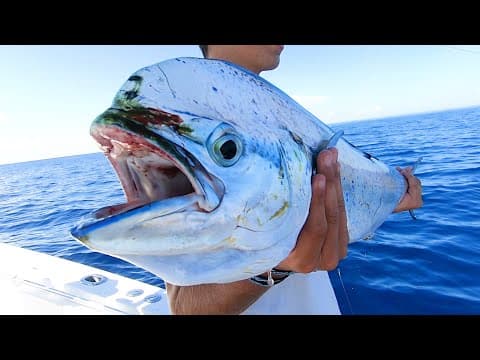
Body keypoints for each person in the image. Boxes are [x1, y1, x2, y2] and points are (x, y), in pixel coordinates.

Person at [165, 45, 423, 315]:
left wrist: (387, 198)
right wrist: (276, 266)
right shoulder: (184, 125)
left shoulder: (277, 115)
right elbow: (184, 307)